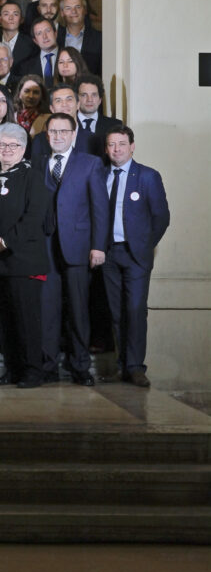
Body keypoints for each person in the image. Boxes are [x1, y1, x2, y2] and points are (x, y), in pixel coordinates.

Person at [0, 123, 52, 387]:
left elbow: (34, 218)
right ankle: (13, 368)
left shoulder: (33, 177)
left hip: (23, 261)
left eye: (13, 145)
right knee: (2, 320)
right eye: (2, 144)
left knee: (26, 320)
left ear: (23, 149)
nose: (6, 149)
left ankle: (33, 371)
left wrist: (5, 242)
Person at [36, 112, 109, 385]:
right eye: (53, 131)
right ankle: (47, 365)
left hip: (78, 248)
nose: (58, 136)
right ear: (47, 135)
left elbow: (100, 209)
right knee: (47, 310)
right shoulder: (38, 164)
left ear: (73, 134)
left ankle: (80, 366)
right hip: (45, 248)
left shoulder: (90, 163)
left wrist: (98, 246)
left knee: (78, 310)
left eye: (63, 131)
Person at [101, 126, 170, 388]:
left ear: (132, 146)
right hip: (109, 254)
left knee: (135, 310)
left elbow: (161, 217)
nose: (116, 149)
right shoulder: (101, 175)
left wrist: (144, 246)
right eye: (111, 144)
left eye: (121, 144)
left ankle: (136, 367)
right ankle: (121, 366)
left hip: (135, 255)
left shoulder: (148, 176)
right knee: (116, 312)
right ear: (106, 149)